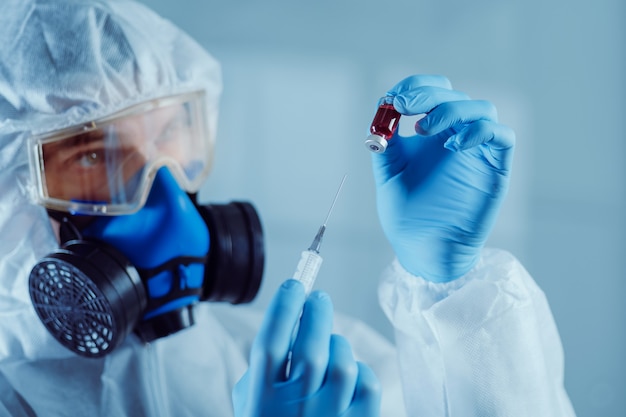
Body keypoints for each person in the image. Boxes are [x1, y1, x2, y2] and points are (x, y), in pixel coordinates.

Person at [0, 0, 576, 416]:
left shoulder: (320, 370)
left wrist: (450, 293)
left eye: (173, 136)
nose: (172, 202)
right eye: (95, 159)